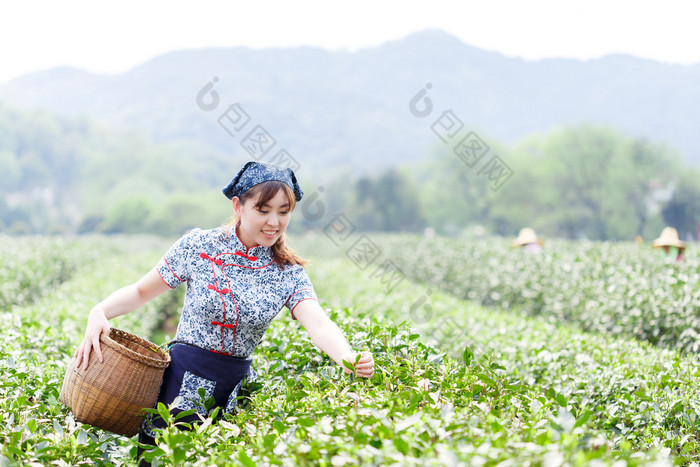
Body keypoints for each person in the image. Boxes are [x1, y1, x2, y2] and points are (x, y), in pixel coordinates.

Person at [73, 161, 375, 465]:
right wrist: (100, 311)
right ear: (238, 206)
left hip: (235, 396)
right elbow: (141, 291)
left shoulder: (288, 271)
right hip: (179, 389)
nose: (274, 221)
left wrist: (348, 358)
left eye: (284, 212)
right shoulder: (200, 246)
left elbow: (319, 323)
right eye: (263, 209)